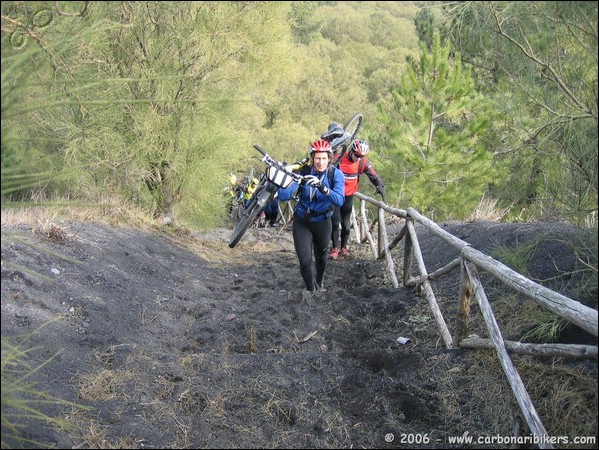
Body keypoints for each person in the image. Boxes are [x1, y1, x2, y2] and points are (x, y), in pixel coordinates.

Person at [277, 139, 345, 291]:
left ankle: (319, 282)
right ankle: (311, 290)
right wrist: (283, 180)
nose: (320, 162)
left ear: (329, 158)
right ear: (312, 158)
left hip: (323, 222)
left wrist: (323, 188)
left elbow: (340, 200)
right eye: (317, 158)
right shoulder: (304, 172)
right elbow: (284, 196)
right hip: (302, 222)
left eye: (324, 158)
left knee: (321, 258)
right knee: (305, 262)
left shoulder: (335, 174)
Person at [330, 139, 386, 260]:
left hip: (348, 196)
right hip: (335, 196)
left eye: (361, 156)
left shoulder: (361, 163)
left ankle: (343, 248)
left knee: (345, 225)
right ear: (351, 151)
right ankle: (334, 248)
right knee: (334, 222)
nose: (358, 158)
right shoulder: (339, 158)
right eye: (357, 155)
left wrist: (379, 185)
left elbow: (372, 174)